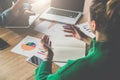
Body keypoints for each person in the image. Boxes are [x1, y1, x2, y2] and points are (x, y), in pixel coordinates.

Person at [35, 0, 120, 80]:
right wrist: (85, 38)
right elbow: (106, 49)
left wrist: (47, 57)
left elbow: (42, 78)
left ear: (94, 25)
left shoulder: (80, 67)